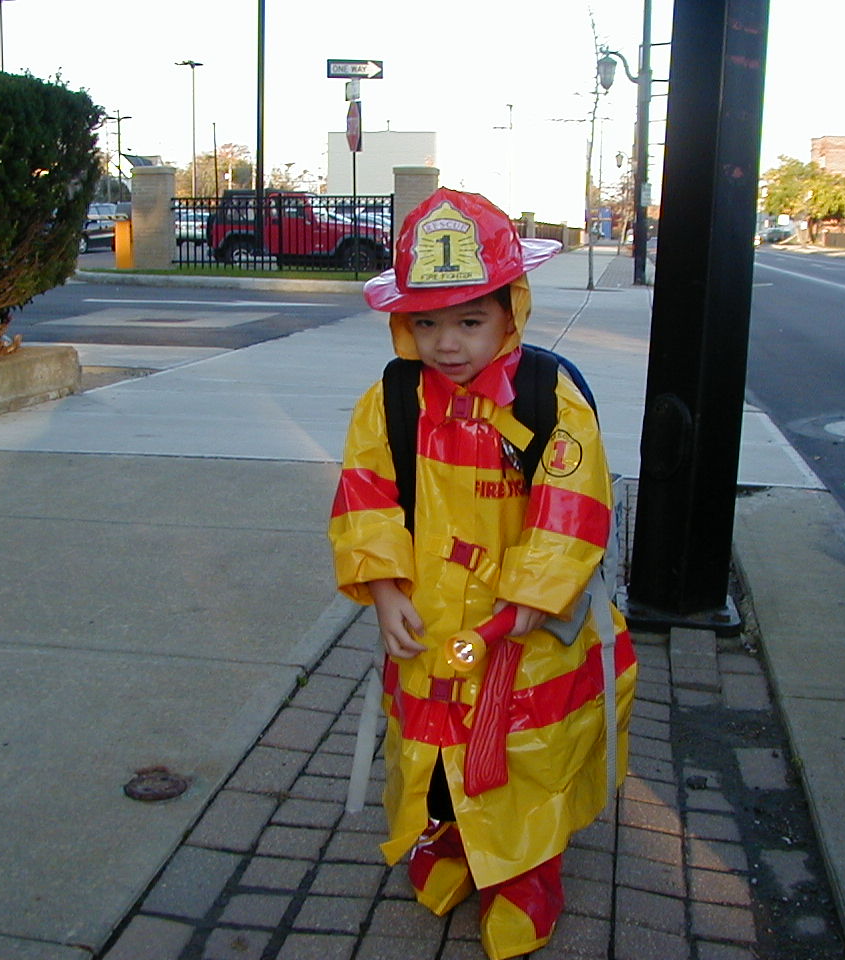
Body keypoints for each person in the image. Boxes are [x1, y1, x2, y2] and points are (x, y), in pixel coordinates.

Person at [329, 188, 638, 959]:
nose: (447, 344)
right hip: (430, 625)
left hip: (524, 635)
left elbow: (571, 507)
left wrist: (523, 606)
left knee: (524, 758)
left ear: (511, 311)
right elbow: (366, 495)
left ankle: (525, 876)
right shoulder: (392, 400)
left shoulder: (547, 397)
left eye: (469, 322)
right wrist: (385, 590)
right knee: (433, 751)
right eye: (426, 323)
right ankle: (452, 840)